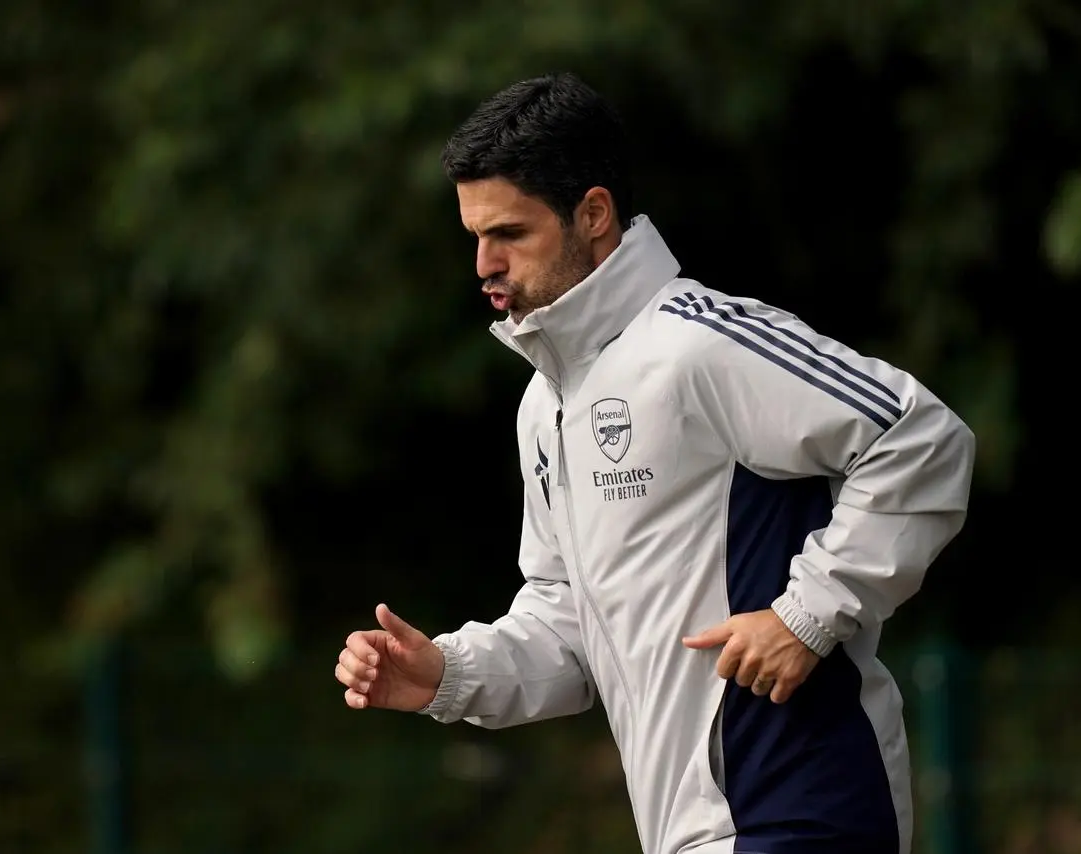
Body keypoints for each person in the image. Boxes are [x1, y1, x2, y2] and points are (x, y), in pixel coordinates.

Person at [334, 72, 975, 854]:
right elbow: (570, 629)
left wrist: (805, 617)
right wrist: (449, 674)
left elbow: (921, 437)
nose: (483, 264)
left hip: (802, 812)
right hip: (696, 832)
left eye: (509, 233)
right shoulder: (545, 405)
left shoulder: (697, 343)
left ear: (593, 214)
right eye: (475, 236)